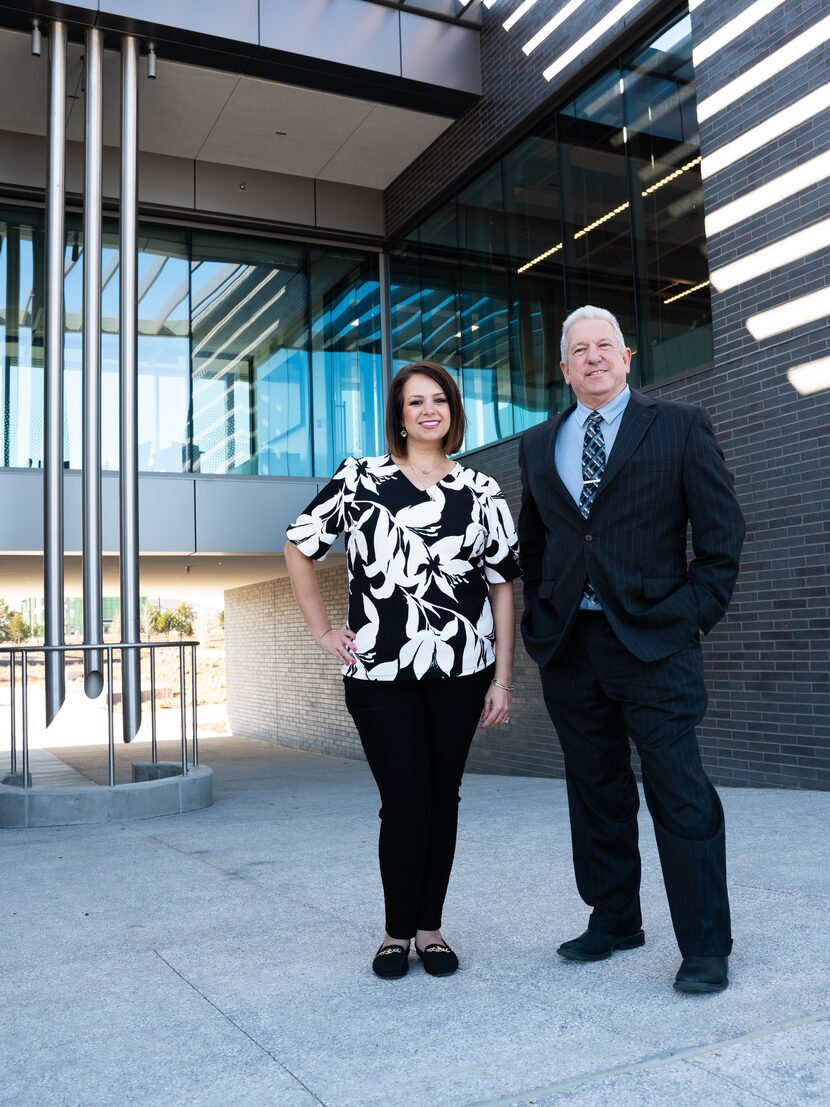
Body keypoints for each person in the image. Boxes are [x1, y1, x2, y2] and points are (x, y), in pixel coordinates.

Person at [518, 305, 745, 995]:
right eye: (578, 349)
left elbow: (721, 538)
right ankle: (615, 917)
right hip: (572, 646)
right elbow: (540, 545)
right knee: (595, 790)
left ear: (627, 356)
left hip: (655, 642)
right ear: (564, 368)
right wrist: (541, 616)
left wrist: (691, 618)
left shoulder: (677, 426)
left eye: (604, 345)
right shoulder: (536, 444)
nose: (592, 357)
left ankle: (705, 944)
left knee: (679, 793)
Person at [284, 360, 520, 980]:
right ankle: (396, 932)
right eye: (415, 402)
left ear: (452, 411)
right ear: (399, 415)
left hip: (464, 672)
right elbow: (298, 545)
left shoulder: (482, 489)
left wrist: (503, 677)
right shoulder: (359, 478)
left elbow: (500, 587)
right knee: (405, 801)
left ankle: (430, 929)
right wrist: (321, 629)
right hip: (380, 675)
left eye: (438, 400)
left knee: (444, 800)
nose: (428, 410)